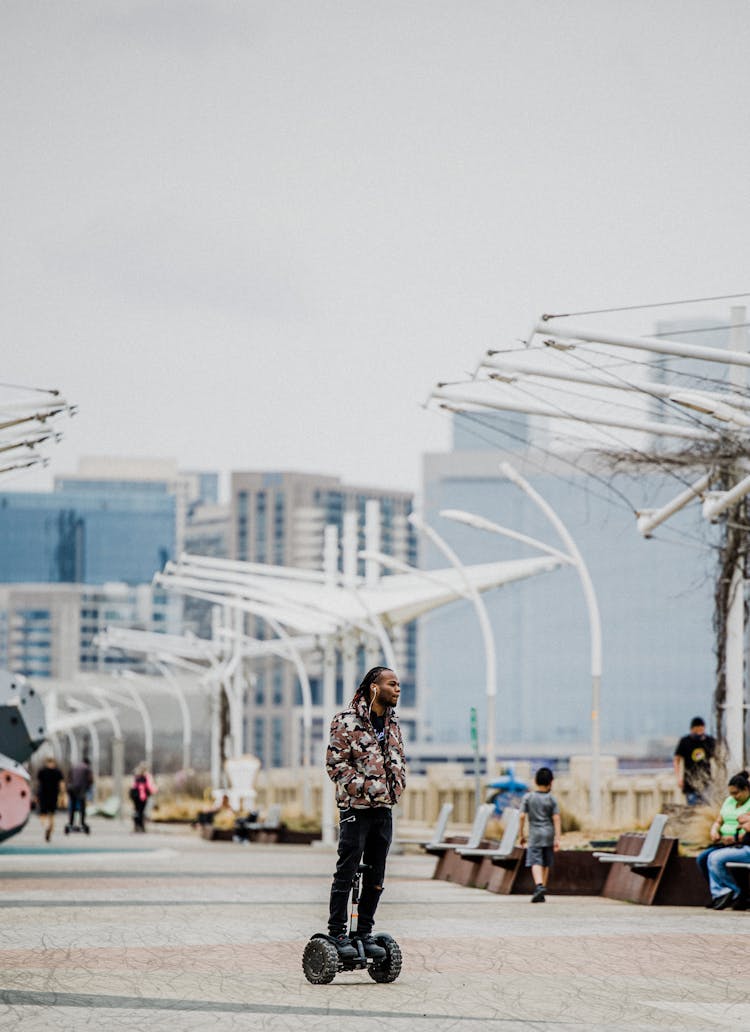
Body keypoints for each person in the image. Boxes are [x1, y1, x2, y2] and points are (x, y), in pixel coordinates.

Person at [324, 666, 407, 961]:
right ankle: (337, 932)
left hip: (384, 810)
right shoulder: (346, 721)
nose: (398, 689)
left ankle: (364, 932)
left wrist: (395, 788)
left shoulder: (393, 724)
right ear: (375, 687)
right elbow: (336, 765)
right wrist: (366, 789)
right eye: (392, 684)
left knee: (376, 875)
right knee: (346, 871)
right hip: (355, 810)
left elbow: (397, 761)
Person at [695, 770, 750, 909]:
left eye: (736, 793)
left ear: (746, 789)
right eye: (731, 793)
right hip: (725, 843)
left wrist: (736, 837)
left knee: (714, 858)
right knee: (702, 858)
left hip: (740, 844)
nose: (733, 796)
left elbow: (746, 829)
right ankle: (719, 894)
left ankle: (731, 892)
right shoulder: (729, 801)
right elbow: (719, 820)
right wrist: (714, 830)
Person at [518, 766, 561, 903]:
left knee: (535, 861)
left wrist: (521, 835)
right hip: (549, 833)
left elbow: (522, 817)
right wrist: (558, 838)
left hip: (535, 834)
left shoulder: (528, 797)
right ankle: (542, 889)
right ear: (551, 782)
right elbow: (556, 818)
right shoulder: (551, 799)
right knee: (546, 862)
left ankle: (539, 885)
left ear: (536, 781)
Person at [673, 717, 716, 805]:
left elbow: (717, 758)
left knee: (706, 806)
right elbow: (677, 759)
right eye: (697, 730)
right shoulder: (685, 741)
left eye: (701, 730)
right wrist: (678, 778)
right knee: (693, 808)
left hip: (706, 781)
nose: (699, 733)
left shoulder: (710, 741)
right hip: (690, 782)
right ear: (692, 730)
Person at [36, 755, 64, 843]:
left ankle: (46, 827)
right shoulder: (58, 772)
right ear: (54, 763)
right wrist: (62, 795)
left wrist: (36, 795)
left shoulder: (42, 771)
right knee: (52, 814)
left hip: (43, 795)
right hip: (53, 795)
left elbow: (38, 784)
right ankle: (50, 828)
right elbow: (62, 784)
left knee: (42, 814)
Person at [66, 756, 93, 832]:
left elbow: (69, 778)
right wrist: (88, 788)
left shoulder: (74, 767)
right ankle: (82, 823)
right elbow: (90, 780)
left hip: (71, 789)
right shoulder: (87, 768)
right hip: (81, 790)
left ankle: (71, 823)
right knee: (82, 808)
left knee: (72, 807)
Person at [130, 764, 157, 832]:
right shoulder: (146, 777)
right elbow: (149, 786)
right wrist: (154, 790)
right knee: (141, 812)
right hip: (143, 797)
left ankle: (136, 825)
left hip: (135, 796)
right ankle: (141, 826)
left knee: (137, 811)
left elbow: (132, 786)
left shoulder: (136, 777)